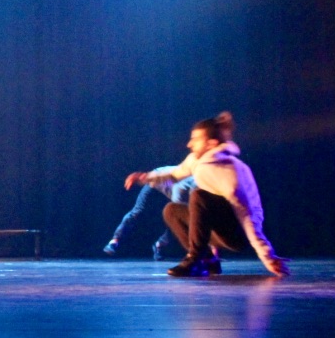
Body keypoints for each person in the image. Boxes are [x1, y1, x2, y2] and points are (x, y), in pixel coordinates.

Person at [124, 112, 290, 277]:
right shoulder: (196, 160)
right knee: (171, 210)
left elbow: (247, 214)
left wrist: (267, 256)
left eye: (195, 139)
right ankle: (208, 261)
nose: (189, 144)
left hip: (238, 234)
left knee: (199, 196)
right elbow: (175, 174)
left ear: (211, 143)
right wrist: (145, 177)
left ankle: (194, 259)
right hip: (216, 228)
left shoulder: (230, 170)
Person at [103, 173, 196, 260]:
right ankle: (115, 241)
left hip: (172, 188)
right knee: (138, 211)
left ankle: (160, 244)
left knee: (178, 220)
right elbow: (177, 195)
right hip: (155, 184)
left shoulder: (197, 185)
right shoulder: (188, 184)